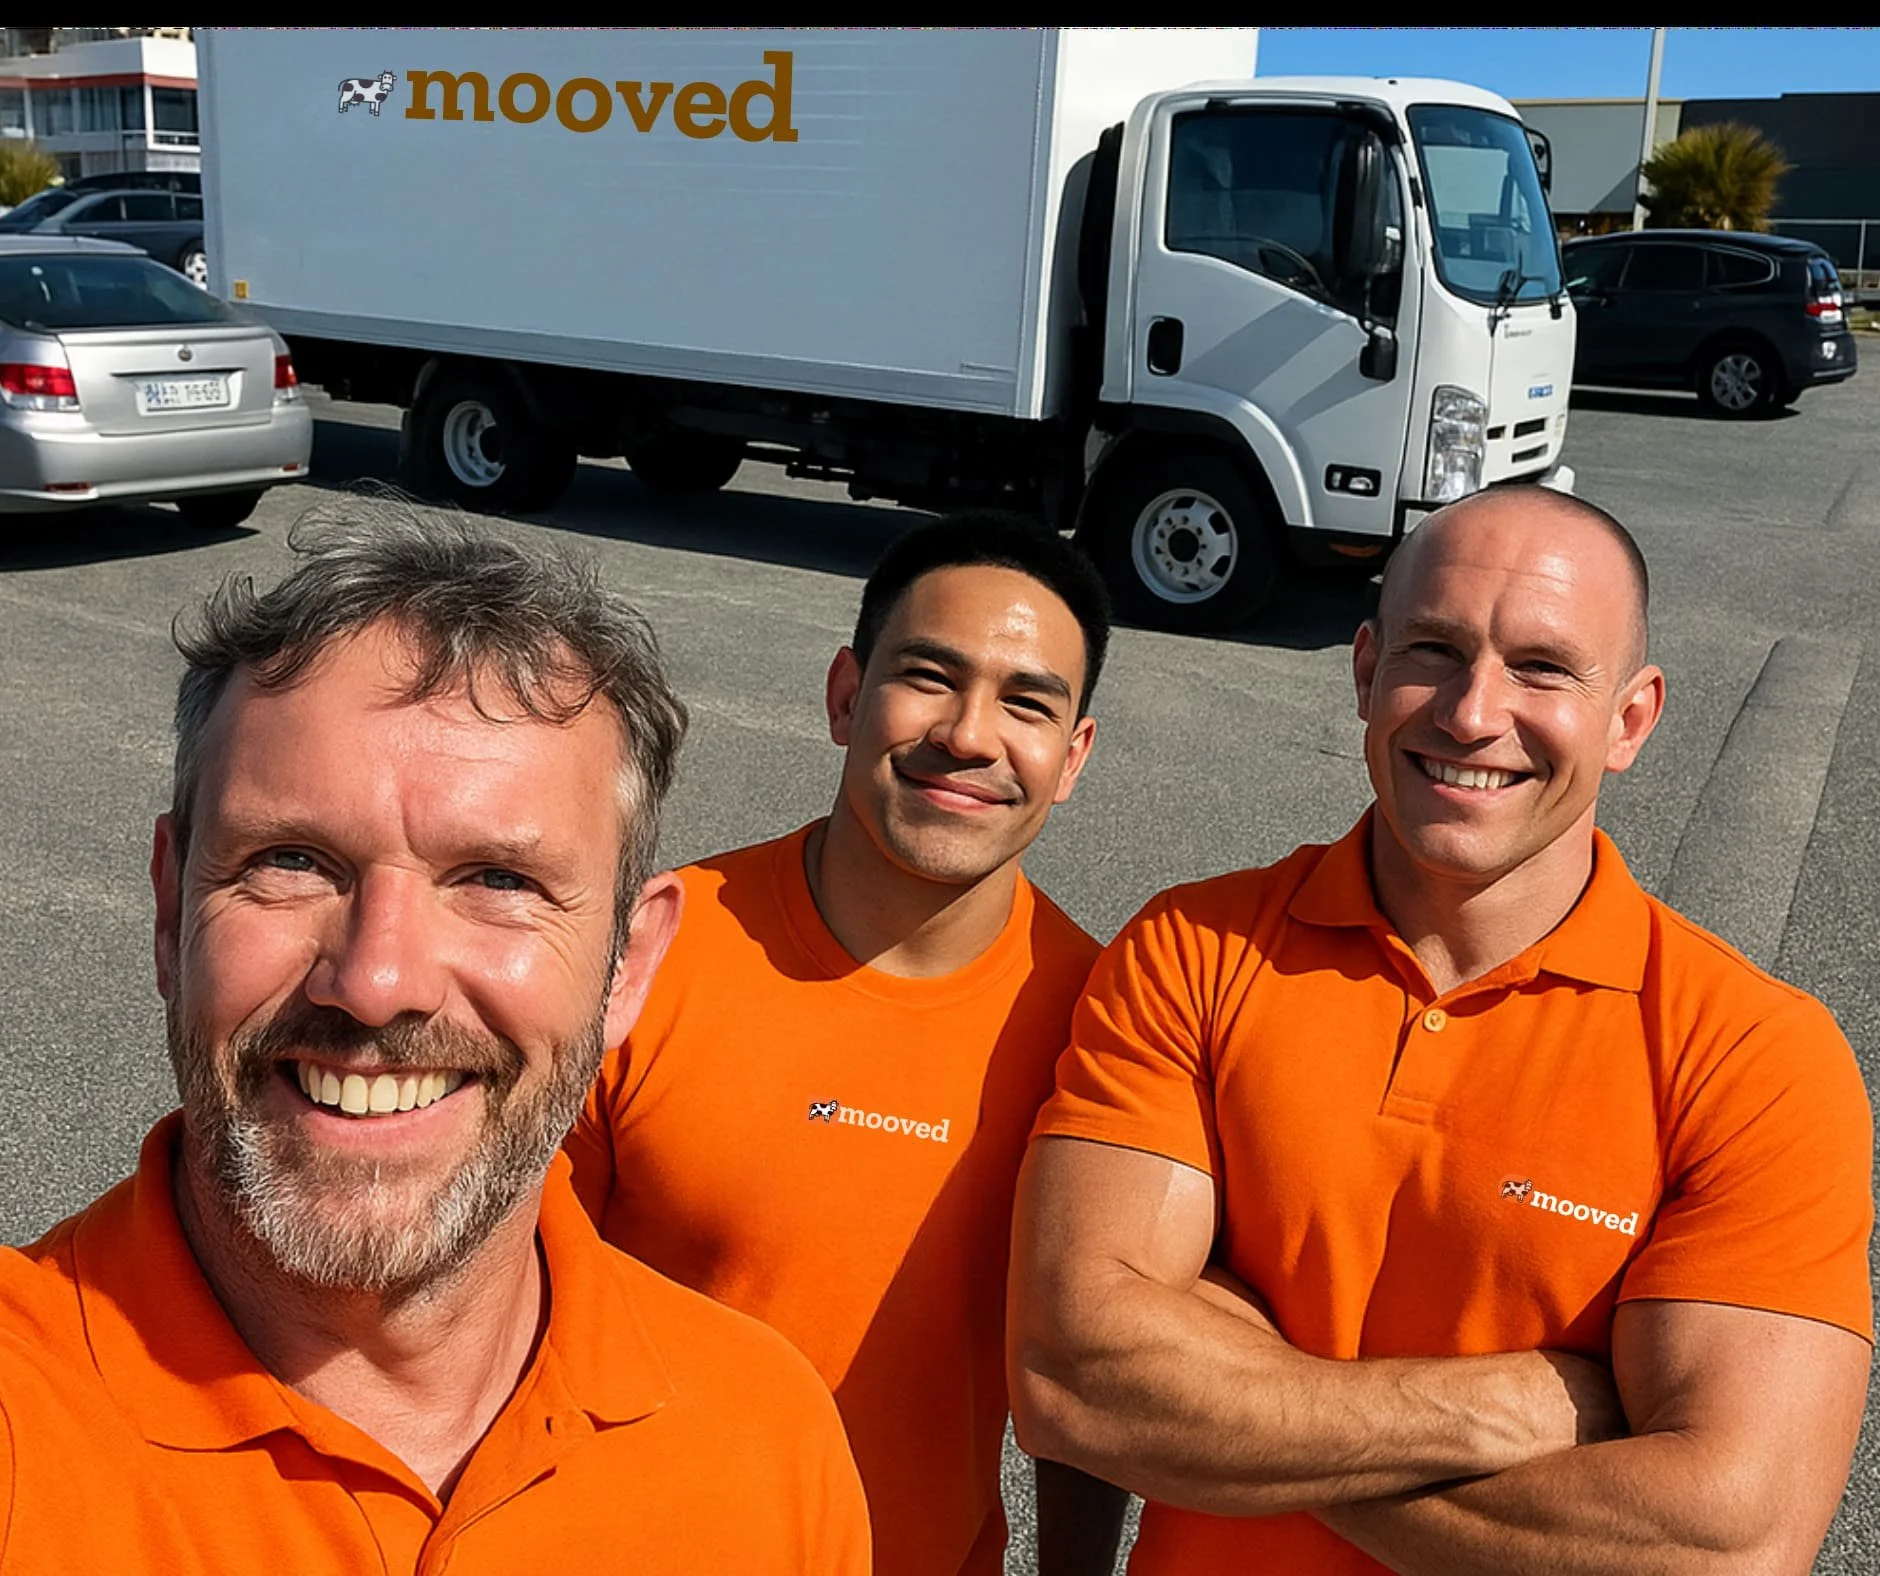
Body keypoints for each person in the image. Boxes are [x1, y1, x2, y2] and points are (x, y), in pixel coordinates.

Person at [1009, 486, 1873, 1575]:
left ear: (1629, 720)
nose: (1470, 714)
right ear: (1365, 669)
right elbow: (1073, 1378)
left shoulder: (1753, 1055)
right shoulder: (1194, 950)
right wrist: (1514, 1404)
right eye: (1434, 649)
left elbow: (1725, 1543)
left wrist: (1229, 1398)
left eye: (1542, 668)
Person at [0, 511, 870, 1575]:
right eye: (290, 860)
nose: (376, 984)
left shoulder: (767, 1441)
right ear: (172, 910)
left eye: (498, 879)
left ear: (628, 966)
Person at [566, 511, 1130, 1576]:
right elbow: (497, 1319)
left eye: (1027, 702)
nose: (969, 734)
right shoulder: (646, 954)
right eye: (929, 676)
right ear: (843, 695)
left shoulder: (1103, 1027)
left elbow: (1089, 1384)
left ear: (1072, 757)